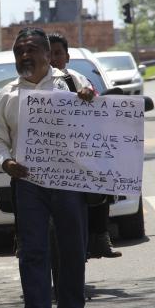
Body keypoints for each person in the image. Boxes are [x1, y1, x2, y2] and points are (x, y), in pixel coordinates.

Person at [0, 27, 94, 308]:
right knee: (33, 250)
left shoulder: (73, 84)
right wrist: (6, 162)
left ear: (49, 55)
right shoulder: (7, 95)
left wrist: (90, 100)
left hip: (68, 181)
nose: (25, 55)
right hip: (28, 183)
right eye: (19, 50)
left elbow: (100, 121)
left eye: (32, 49)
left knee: (73, 247)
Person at [48, 33, 121, 259]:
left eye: (57, 53)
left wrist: (89, 94)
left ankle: (100, 236)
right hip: (44, 159)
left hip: (78, 154)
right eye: (47, 53)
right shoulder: (27, 84)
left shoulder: (77, 79)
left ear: (66, 57)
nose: (52, 58)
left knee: (101, 179)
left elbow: (98, 106)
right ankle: (22, 240)